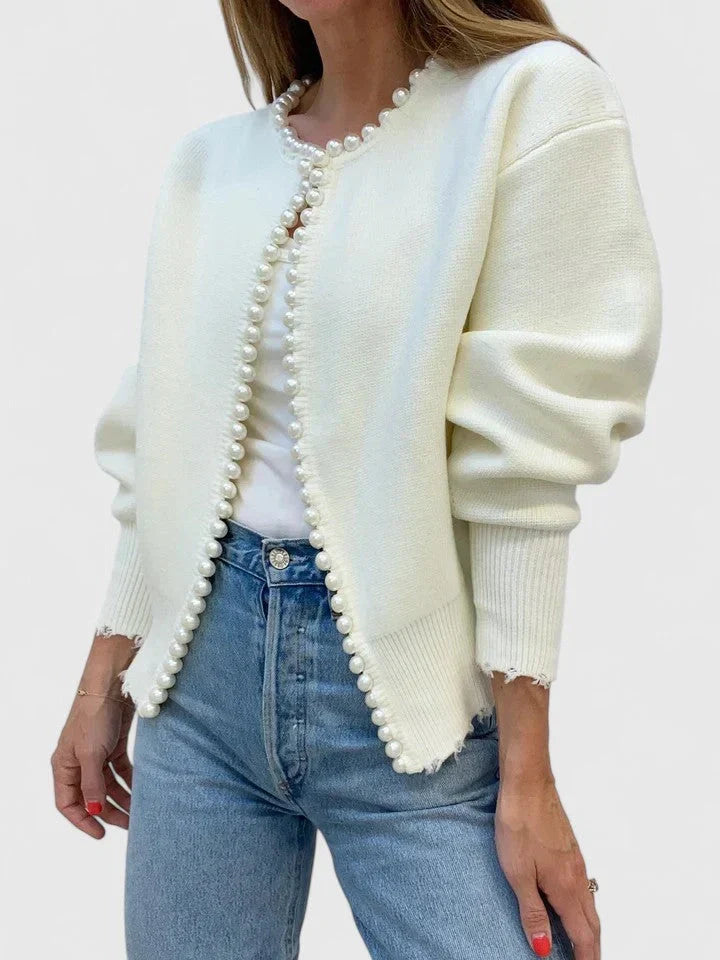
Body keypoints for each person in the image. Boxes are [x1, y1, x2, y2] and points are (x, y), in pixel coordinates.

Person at [51, 2, 661, 958]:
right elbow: (163, 448)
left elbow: (529, 462)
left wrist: (528, 773)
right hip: (198, 697)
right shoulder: (211, 164)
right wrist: (105, 678)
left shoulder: (531, 103)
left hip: (412, 713)